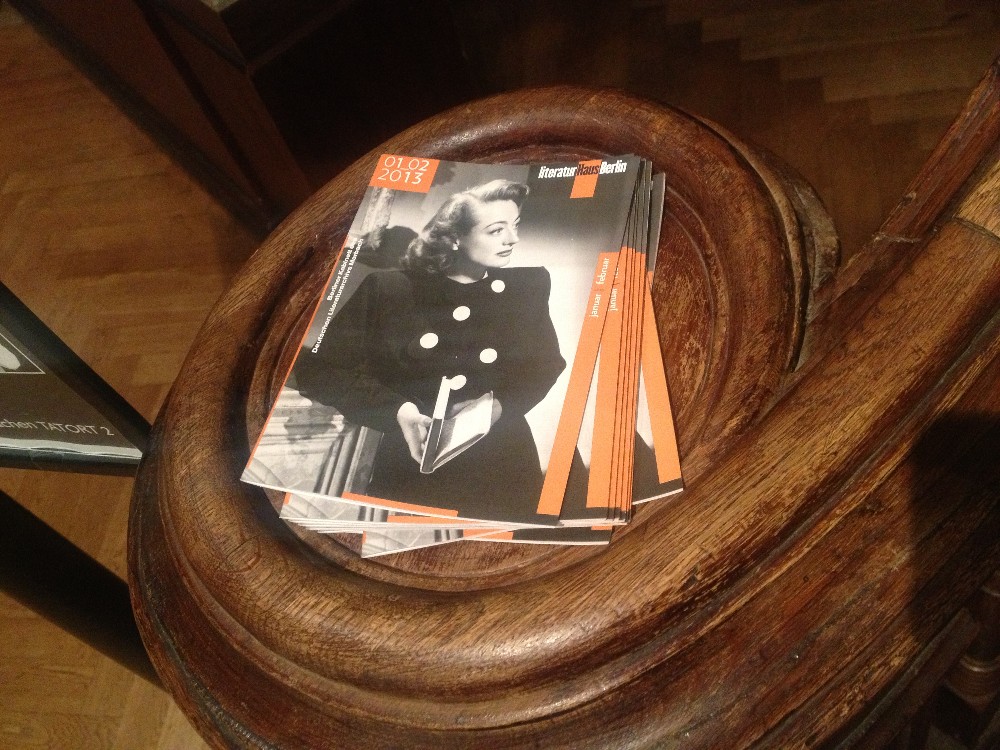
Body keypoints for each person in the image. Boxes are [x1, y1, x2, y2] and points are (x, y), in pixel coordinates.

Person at [294, 179, 566, 523]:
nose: (513, 239)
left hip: (502, 458)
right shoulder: (390, 290)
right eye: (496, 230)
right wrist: (399, 412)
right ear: (454, 238)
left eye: (515, 226)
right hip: (414, 457)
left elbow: (544, 365)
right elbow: (321, 370)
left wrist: (497, 408)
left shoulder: (527, 288)